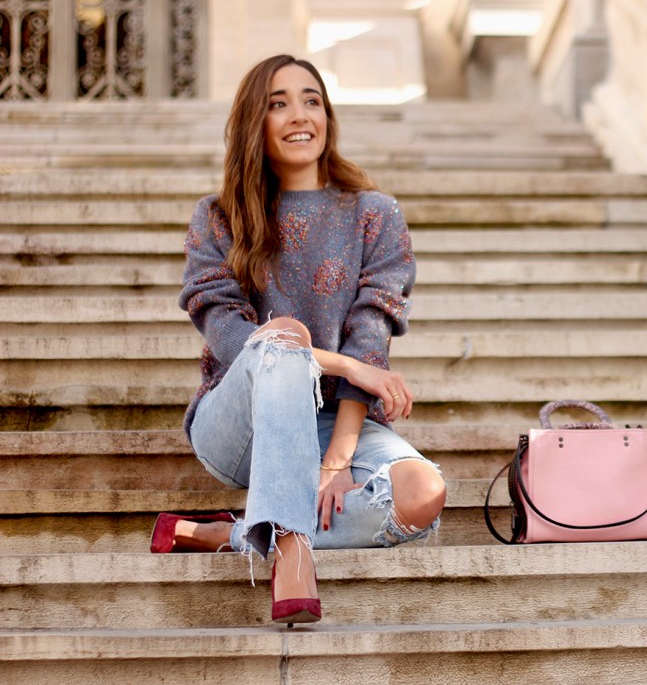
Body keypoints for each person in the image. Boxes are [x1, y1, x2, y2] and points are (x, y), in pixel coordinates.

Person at [149, 54, 447, 626]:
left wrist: (337, 459)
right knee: (281, 335)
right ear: (253, 123)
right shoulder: (218, 218)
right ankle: (292, 551)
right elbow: (236, 339)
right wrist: (348, 367)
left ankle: (232, 534)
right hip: (242, 423)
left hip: (336, 423)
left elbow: (371, 334)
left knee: (421, 495)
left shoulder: (373, 214)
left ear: (328, 116)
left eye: (311, 100)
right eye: (277, 103)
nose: (298, 115)